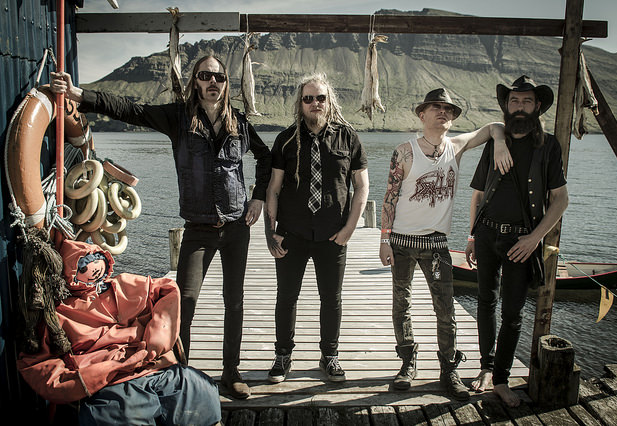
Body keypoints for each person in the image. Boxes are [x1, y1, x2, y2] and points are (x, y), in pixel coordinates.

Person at [50, 55, 272, 400]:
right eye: (205, 76)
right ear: (195, 82)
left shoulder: (239, 123)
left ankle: (231, 372)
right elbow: (132, 110)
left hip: (235, 227)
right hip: (198, 228)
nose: (213, 82)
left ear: (227, 83)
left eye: (219, 77)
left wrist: (258, 198)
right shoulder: (179, 118)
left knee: (234, 300)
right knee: (185, 301)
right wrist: (82, 95)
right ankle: (181, 373)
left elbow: (266, 157)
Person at [379, 88, 512, 400]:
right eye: (436, 107)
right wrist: (384, 240)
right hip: (401, 243)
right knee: (402, 304)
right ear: (422, 114)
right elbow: (390, 197)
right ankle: (408, 362)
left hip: (437, 246)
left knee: (445, 308)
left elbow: (494, 127)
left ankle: (449, 369)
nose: (443, 112)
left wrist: (501, 142)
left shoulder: (456, 146)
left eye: (449, 109)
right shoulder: (405, 151)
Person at [18, 239, 221, 425]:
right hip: (111, 381)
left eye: (96, 259)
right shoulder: (60, 314)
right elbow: (37, 363)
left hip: (154, 364)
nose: (93, 268)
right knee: (122, 415)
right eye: (83, 266)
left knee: (197, 391)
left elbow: (166, 290)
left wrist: (158, 338)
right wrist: (85, 379)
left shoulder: (125, 284)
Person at [465, 75, 569, 407]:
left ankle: (501, 379)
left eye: (526, 101)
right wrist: (471, 235)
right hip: (486, 234)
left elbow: (561, 200)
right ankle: (486, 367)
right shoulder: (496, 142)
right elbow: (477, 195)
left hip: (521, 241)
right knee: (485, 301)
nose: (519, 106)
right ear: (506, 107)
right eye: (514, 101)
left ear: (537, 106)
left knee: (512, 312)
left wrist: (535, 239)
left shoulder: (548, 146)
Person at [264, 73, 369, 383]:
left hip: (332, 235)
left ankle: (330, 356)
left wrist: (350, 229)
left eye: (320, 97)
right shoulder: (285, 139)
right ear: (300, 103)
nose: (314, 103)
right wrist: (270, 232)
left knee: (331, 299)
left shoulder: (348, 137)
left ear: (329, 100)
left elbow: (362, 187)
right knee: (286, 297)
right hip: (292, 234)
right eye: (308, 98)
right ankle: (283, 356)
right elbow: (273, 188)